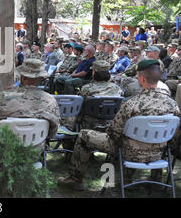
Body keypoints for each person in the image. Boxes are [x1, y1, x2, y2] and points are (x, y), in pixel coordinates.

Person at [58, 59, 181, 190]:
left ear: (142, 79)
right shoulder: (173, 105)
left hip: (128, 151)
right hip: (158, 152)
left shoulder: (131, 104)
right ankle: (155, 181)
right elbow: (174, 136)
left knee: (83, 135)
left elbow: (113, 133)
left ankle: (75, 179)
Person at [0, 59, 60, 151]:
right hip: (34, 151)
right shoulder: (50, 100)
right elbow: (52, 132)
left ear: (23, 77)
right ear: (40, 78)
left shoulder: (4, 96)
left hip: (4, 151)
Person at [78, 60, 123, 131]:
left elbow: (79, 108)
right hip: (110, 124)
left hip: (89, 125)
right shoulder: (117, 88)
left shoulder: (86, 89)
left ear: (94, 73)